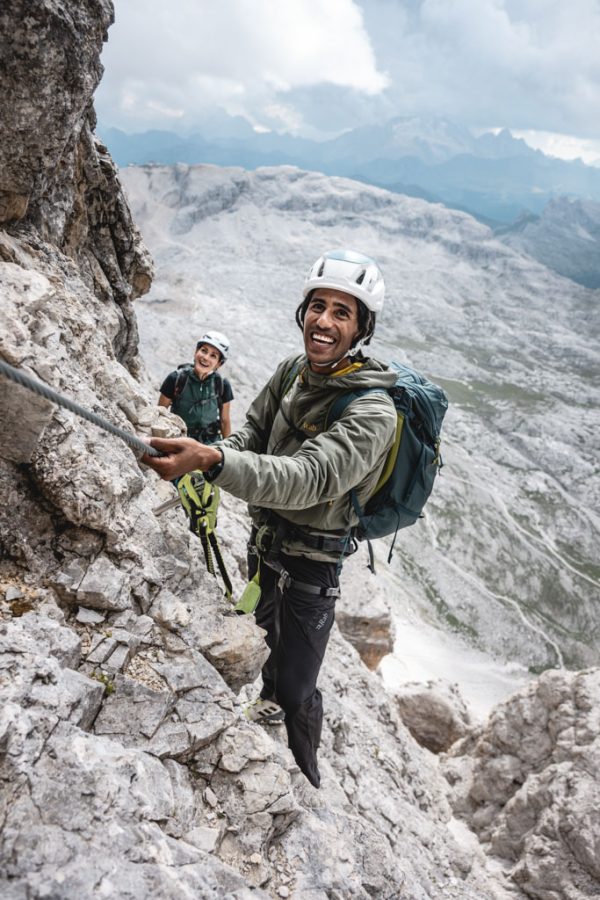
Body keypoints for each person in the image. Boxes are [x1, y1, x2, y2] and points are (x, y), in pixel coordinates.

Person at [144, 250, 398, 788]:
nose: (324, 321)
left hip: (313, 568)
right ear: (304, 310)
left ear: (361, 329)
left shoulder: (374, 411)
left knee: (297, 685)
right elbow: (252, 435)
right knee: (261, 651)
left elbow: (307, 479)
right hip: (265, 546)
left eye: (342, 313)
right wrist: (209, 452)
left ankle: (306, 776)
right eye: (318, 306)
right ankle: (263, 714)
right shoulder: (292, 372)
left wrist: (212, 461)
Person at [158, 331, 233, 443]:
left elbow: (224, 421)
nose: (206, 358)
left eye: (213, 355)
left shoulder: (222, 385)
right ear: (196, 352)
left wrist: (229, 450)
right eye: (204, 351)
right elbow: (160, 414)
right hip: (180, 439)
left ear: (219, 364)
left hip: (210, 444)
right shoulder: (175, 379)